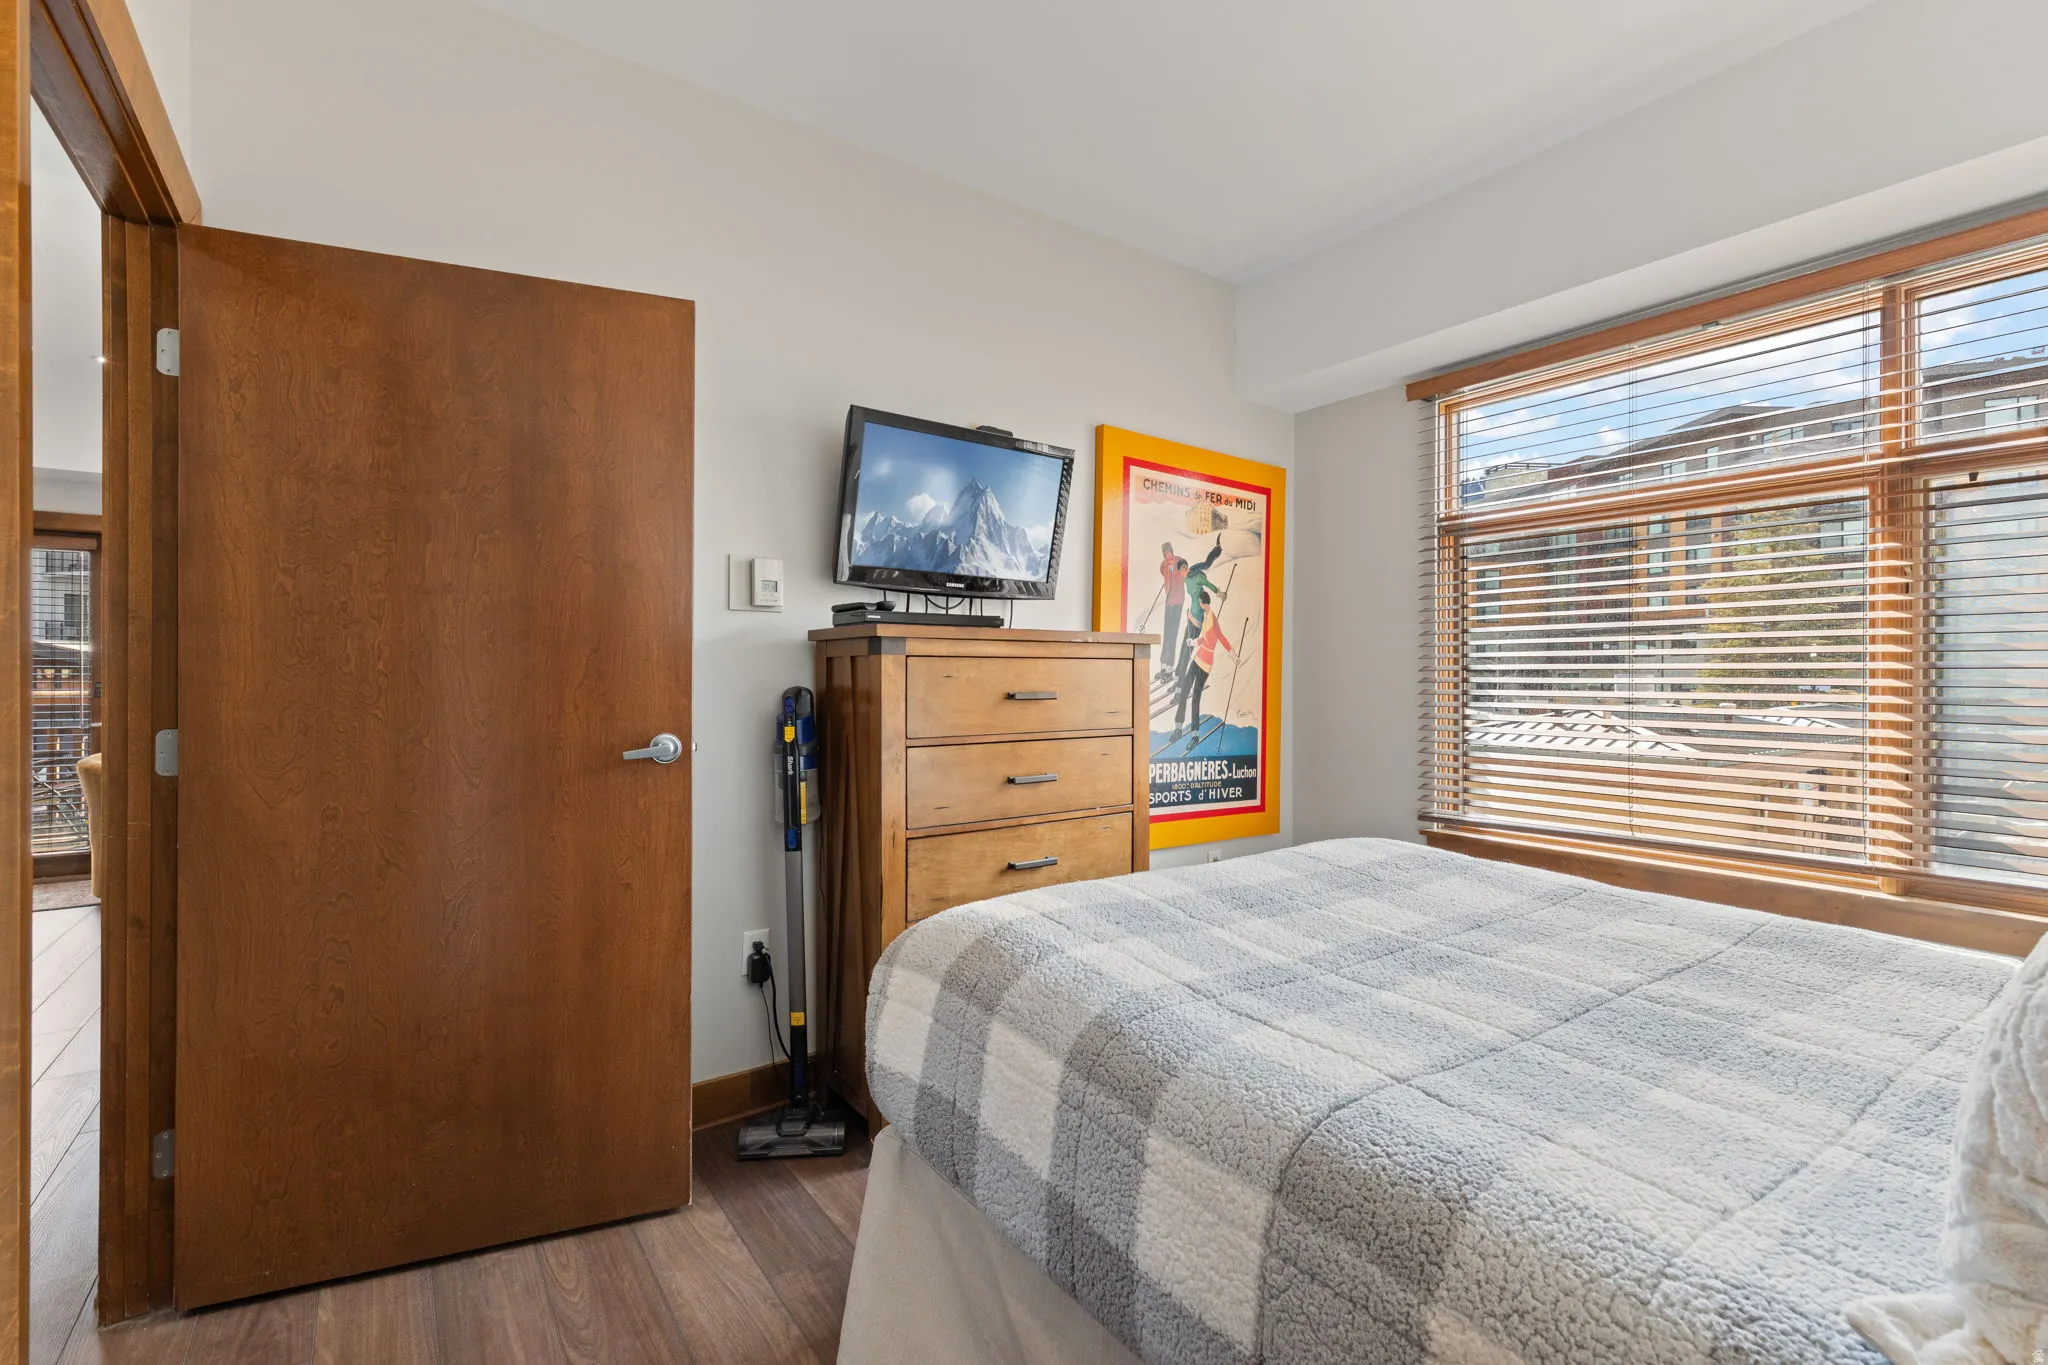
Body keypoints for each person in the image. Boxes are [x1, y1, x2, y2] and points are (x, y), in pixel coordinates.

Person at [1172, 589, 1233, 740]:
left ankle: (1194, 735)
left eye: (1199, 602)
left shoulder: (1212, 620)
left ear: (1203, 603)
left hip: (1205, 665)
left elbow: (1222, 639)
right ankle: (1178, 728)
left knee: (1195, 698)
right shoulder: (1206, 616)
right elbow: (1203, 638)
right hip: (1198, 658)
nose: (1198, 605)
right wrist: (1192, 641)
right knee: (1185, 690)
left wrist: (1233, 655)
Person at [1175, 536, 1227, 682]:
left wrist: (1219, 593)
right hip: (1191, 615)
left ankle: (1183, 679)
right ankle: (1178, 672)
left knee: (1190, 647)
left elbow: (1208, 582)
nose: (1183, 570)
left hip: (1198, 618)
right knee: (1185, 645)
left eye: (1185, 567)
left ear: (1187, 567)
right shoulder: (1186, 578)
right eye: (1181, 569)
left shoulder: (1197, 576)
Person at [1155, 542, 1189, 684]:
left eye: (1169, 553)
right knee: (1167, 633)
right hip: (1169, 602)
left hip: (1177, 602)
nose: (1167, 555)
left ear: (1172, 552)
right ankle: (1163, 666)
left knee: (1173, 635)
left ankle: (1169, 669)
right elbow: (1162, 570)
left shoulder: (1178, 560)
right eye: (1165, 554)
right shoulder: (1164, 565)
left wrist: (1173, 567)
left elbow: (1184, 572)